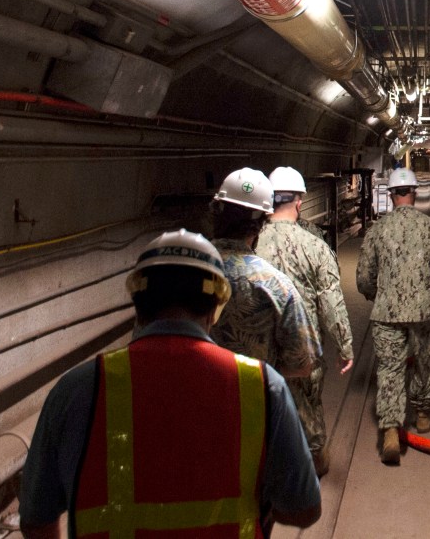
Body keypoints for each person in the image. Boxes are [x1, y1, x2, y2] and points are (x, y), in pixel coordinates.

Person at [19, 229, 321, 538]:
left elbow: (35, 518)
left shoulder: (76, 389)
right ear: (215, 305)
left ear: (138, 303)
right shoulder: (261, 386)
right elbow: (303, 509)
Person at [356, 167, 430, 464]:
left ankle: (391, 428)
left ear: (391, 195)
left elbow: (364, 276)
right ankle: (422, 414)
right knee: (423, 363)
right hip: (424, 311)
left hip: (386, 313)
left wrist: (374, 295)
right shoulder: (429, 228)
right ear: (414, 194)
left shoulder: (377, 230)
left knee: (390, 370)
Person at [256, 166, 355, 477]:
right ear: (299, 202)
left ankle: (265, 467)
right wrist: (345, 346)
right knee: (308, 406)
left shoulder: (250, 243)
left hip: (256, 351)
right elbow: (331, 303)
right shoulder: (315, 246)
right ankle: (314, 463)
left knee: (260, 408)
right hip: (303, 348)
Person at [209, 167, 318, 380]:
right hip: (251, 404)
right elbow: (302, 364)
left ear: (217, 211)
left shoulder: (182, 272)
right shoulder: (275, 285)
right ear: (261, 223)